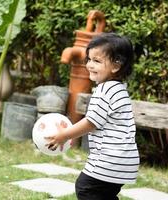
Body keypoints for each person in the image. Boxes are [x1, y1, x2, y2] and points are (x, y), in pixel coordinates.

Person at [45, 32, 139, 200]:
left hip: (109, 159)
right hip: (124, 161)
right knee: (104, 194)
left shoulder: (104, 90)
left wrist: (64, 135)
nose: (89, 65)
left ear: (116, 66)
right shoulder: (119, 89)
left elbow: (91, 123)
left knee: (86, 189)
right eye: (89, 59)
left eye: (97, 61)